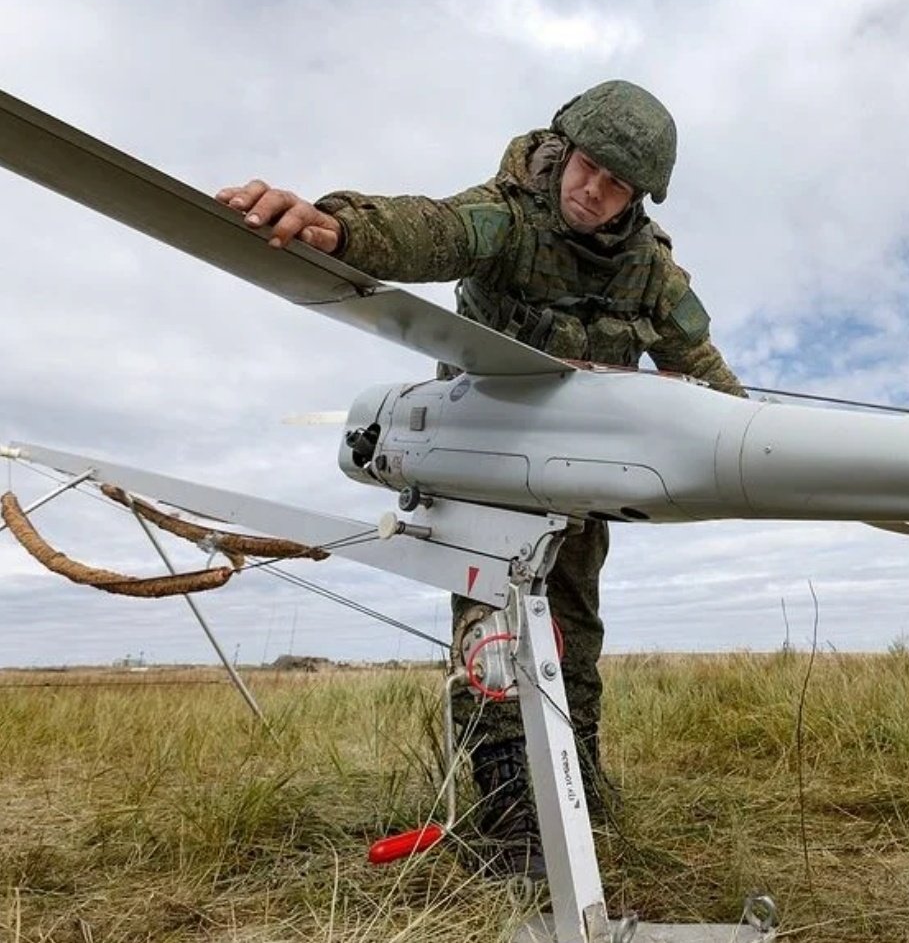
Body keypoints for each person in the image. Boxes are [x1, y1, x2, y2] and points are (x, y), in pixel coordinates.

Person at [216, 80, 744, 875]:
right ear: (567, 149)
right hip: (487, 472)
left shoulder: (651, 275)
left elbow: (709, 381)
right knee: (493, 634)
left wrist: (750, 451)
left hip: (573, 480)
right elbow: (432, 230)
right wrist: (338, 229)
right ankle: (506, 809)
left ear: (639, 196)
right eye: (589, 167)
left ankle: (575, 782)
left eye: (617, 185)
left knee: (576, 636)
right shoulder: (512, 213)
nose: (592, 192)